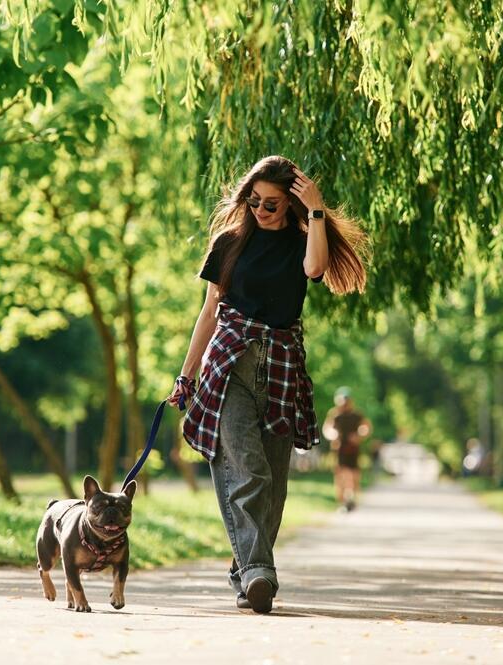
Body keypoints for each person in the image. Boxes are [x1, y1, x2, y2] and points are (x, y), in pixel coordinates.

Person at [167, 155, 368, 614]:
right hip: (229, 363)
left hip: (282, 366)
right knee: (248, 470)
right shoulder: (229, 244)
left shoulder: (302, 241)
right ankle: (259, 571)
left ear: (290, 204)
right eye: (254, 200)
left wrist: (315, 208)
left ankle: (246, 573)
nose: (260, 210)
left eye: (272, 204)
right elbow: (209, 311)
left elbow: (315, 268)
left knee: (274, 485)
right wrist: (187, 373)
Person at [322, 387, 371, 511]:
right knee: (341, 475)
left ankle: (351, 498)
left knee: (353, 475)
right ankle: (343, 502)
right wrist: (332, 434)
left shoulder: (356, 414)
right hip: (339, 449)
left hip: (353, 449)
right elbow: (327, 428)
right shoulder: (334, 414)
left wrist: (359, 436)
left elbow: (366, 427)